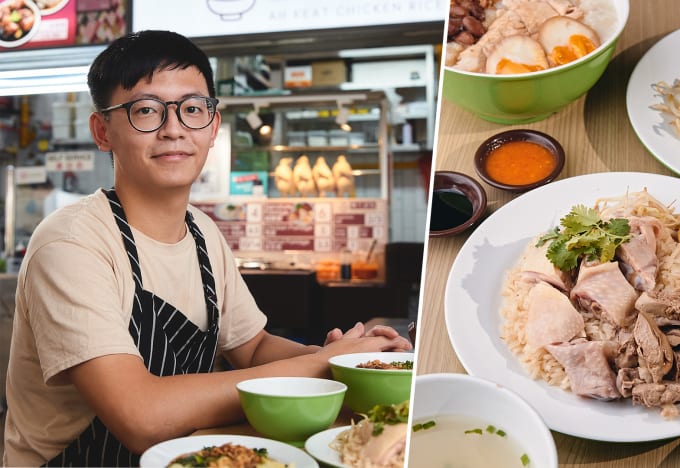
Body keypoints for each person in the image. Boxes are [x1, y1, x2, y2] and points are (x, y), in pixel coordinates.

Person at [3, 30, 411, 467]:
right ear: (102, 131)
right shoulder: (73, 244)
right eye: (146, 110)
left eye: (192, 109)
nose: (174, 129)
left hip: (182, 454)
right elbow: (139, 416)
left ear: (213, 126)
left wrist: (352, 361)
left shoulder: (202, 232)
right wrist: (319, 366)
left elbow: (252, 347)